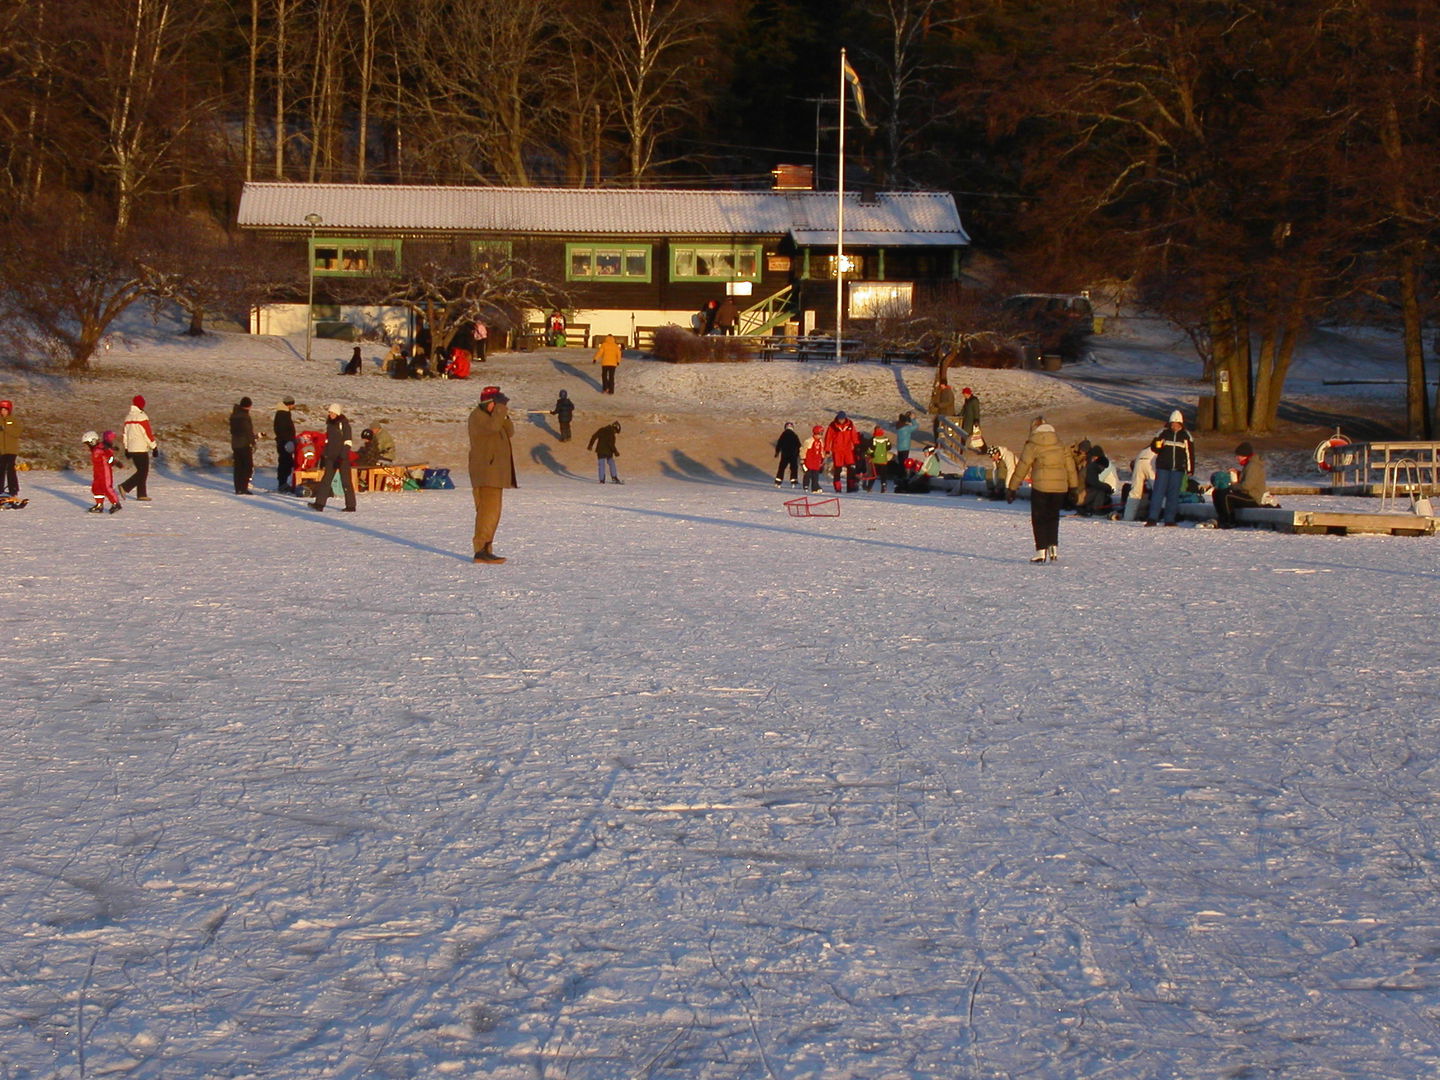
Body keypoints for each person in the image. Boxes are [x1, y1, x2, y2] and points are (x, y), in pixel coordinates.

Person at [1007, 419, 1080, 562]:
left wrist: (1012, 487)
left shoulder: (1033, 445)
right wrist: (1074, 487)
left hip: (1041, 487)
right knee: (1053, 516)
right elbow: (1070, 467)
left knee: (1039, 518)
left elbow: (1023, 466)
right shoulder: (1060, 444)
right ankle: (1053, 547)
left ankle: (1041, 551)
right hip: (1060, 488)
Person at [468, 385, 517, 563]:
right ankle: (480, 550)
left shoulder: (493, 417)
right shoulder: (477, 417)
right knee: (486, 512)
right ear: (489, 403)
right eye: (497, 403)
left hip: (495, 473)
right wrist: (500, 411)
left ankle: (486, 549)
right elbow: (493, 427)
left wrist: (503, 414)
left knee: (493, 513)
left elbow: (509, 431)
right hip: (485, 472)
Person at [1145, 408, 1194, 527]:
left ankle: (1170, 519)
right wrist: (1158, 444)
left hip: (1178, 469)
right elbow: (1154, 448)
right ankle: (1152, 518)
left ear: (1181, 424)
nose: (1175, 426)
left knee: (1173, 494)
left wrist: (1190, 469)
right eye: (1173, 424)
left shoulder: (1186, 436)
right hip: (1163, 468)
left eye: (1177, 424)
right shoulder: (1163, 433)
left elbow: (1190, 454)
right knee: (1158, 493)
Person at [308, 404, 356, 512]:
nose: (331, 414)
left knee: (346, 482)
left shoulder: (344, 425)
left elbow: (348, 442)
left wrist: (342, 456)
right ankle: (319, 504)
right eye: (329, 412)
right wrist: (324, 456)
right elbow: (328, 442)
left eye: (333, 412)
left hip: (342, 458)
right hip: (331, 458)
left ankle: (351, 506)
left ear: (338, 413)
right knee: (326, 480)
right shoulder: (330, 425)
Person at [1214, 441, 1267, 528]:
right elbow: (1246, 478)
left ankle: (1230, 521)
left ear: (1244, 455)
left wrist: (1232, 486)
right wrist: (1237, 473)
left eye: (1238, 456)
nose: (1236, 458)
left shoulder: (1253, 466)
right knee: (1217, 492)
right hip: (1245, 495)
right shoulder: (1248, 465)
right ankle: (1222, 518)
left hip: (1252, 498)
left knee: (1226, 495)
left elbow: (1247, 486)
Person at [118, 394, 158, 501]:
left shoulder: (128, 417)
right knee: (143, 472)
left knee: (141, 471)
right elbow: (147, 433)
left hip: (131, 448)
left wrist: (126, 448)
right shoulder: (142, 417)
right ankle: (125, 486)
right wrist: (154, 447)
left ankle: (141, 494)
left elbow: (125, 434)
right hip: (140, 448)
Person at [84, 430, 122, 513]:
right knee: (96, 487)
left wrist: (113, 462)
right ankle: (99, 505)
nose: (88, 446)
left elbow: (110, 455)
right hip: (97, 471)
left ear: (93, 441)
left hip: (105, 471)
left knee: (107, 487)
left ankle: (116, 503)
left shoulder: (102, 448)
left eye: (88, 443)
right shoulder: (96, 449)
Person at [824, 411, 860, 492]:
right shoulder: (833, 426)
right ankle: (838, 488)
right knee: (838, 469)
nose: (841, 421)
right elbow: (828, 438)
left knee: (851, 468)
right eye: (840, 419)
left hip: (848, 449)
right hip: (837, 450)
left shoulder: (850, 424)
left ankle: (851, 487)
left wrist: (857, 445)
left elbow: (854, 435)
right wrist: (827, 449)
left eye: (842, 419)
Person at [1123, 439, 1157, 521]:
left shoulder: (1146, 448)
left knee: (1134, 492)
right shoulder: (1163, 445)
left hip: (1139, 461)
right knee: (1158, 490)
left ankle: (1128, 517)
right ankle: (1160, 516)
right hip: (1151, 462)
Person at [229, 397, 257, 495]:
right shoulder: (244, 416)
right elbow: (248, 431)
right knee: (248, 466)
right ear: (249, 406)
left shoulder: (234, 415)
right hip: (244, 444)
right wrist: (252, 442)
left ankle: (238, 488)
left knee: (238, 467)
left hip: (235, 444)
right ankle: (243, 488)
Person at [274, 396, 298, 494]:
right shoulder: (283, 414)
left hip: (285, 442)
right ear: (289, 404)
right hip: (285, 443)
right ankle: (282, 483)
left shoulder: (283, 413)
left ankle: (283, 483)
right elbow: (283, 430)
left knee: (286, 462)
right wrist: (289, 440)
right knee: (285, 463)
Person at [0, 400, 22, 498]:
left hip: (11, 450)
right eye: (1, 410)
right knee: (1, 469)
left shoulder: (14, 420)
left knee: (10, 469)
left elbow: (17, 433)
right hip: (1, 450)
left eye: (5, 410)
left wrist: (5, 428)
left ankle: (13, 489)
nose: (3, 412)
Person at [892, 411, 918, 487]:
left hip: (899, 447)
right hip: (905, 447)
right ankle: (903, 477)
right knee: (904, 462)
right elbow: (916, 426)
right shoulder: (906, 428)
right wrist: (912, 419)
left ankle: (900, 475)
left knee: (900, 462)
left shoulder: (899, 427)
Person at [864, 426, 893, 492]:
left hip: (875, 460)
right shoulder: (886, 439)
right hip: (883, 460)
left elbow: (871, 449)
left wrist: (868, 454)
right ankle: (883, 485)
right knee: (883, 475)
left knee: (873, 474)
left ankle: (869, 487)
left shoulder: (873, 439)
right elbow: (889, 447)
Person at [773, 422, 801, 487]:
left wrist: (777, 452)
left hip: (785, 455)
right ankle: (793, 482)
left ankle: (778, 482)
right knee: (794, 468)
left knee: (782, 468)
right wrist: (799, 453)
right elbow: (799, 445)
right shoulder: (794, 435)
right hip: (793, 455)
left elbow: (779, 444)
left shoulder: (783, 435)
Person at [801, 425, 826, 492]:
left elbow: (821, 451)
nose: (820, 436)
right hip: (809, 461)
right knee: (808, 474)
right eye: (819, 434)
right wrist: (802, 459)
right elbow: (803, 450)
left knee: (815, 475)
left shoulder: (820, 441)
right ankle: (806, 486)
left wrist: (822, 458)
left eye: (821, 434)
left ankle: (815, 487)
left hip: (816, 462)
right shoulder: (809, 441)